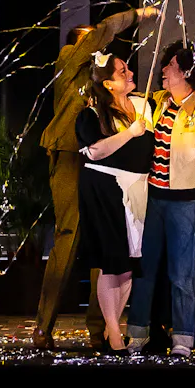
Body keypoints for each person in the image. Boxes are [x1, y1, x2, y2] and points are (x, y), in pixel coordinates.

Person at [33, 6, 156, 349]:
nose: (98, 48)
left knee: (104, 245)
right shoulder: (69, 61)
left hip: (104, 166)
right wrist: (139, 14)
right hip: (73, 156)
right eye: (92, 42)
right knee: (69, 237)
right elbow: (104, 32)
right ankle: (43, 326)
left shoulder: (102, 87)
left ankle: (100, 327)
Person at [126, 43, 195, 357]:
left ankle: (183, 340)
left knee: (182, 273)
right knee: (144, 270)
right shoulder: (158, 102)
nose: (163, 70)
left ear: (187, 72)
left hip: (186, 203)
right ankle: (137, 335)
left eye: (171, 65)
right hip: (153, 199)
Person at [76, 53, 154, 353]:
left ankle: (114, 326)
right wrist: (130, 133)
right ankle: (113, 329)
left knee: (129, 264)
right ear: (109, 84)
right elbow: (93, 151)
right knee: (113, 262)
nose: (130, 73)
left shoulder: (143, 106)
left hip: (137, 188)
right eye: (123, 71)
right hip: (105, 187)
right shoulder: (93, 114)